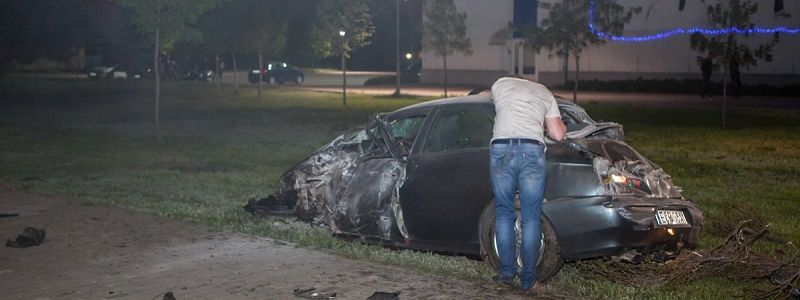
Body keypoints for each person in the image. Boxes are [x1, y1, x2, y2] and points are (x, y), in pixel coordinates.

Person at [489, 76, 566, 292]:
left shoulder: (500, 84)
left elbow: (502, 111)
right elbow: (558, 134)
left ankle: (506, 274)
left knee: (504, 212)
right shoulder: (545, 92)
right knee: (531, 216)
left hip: (501, 148)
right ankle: (529, 280)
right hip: (532, 151)